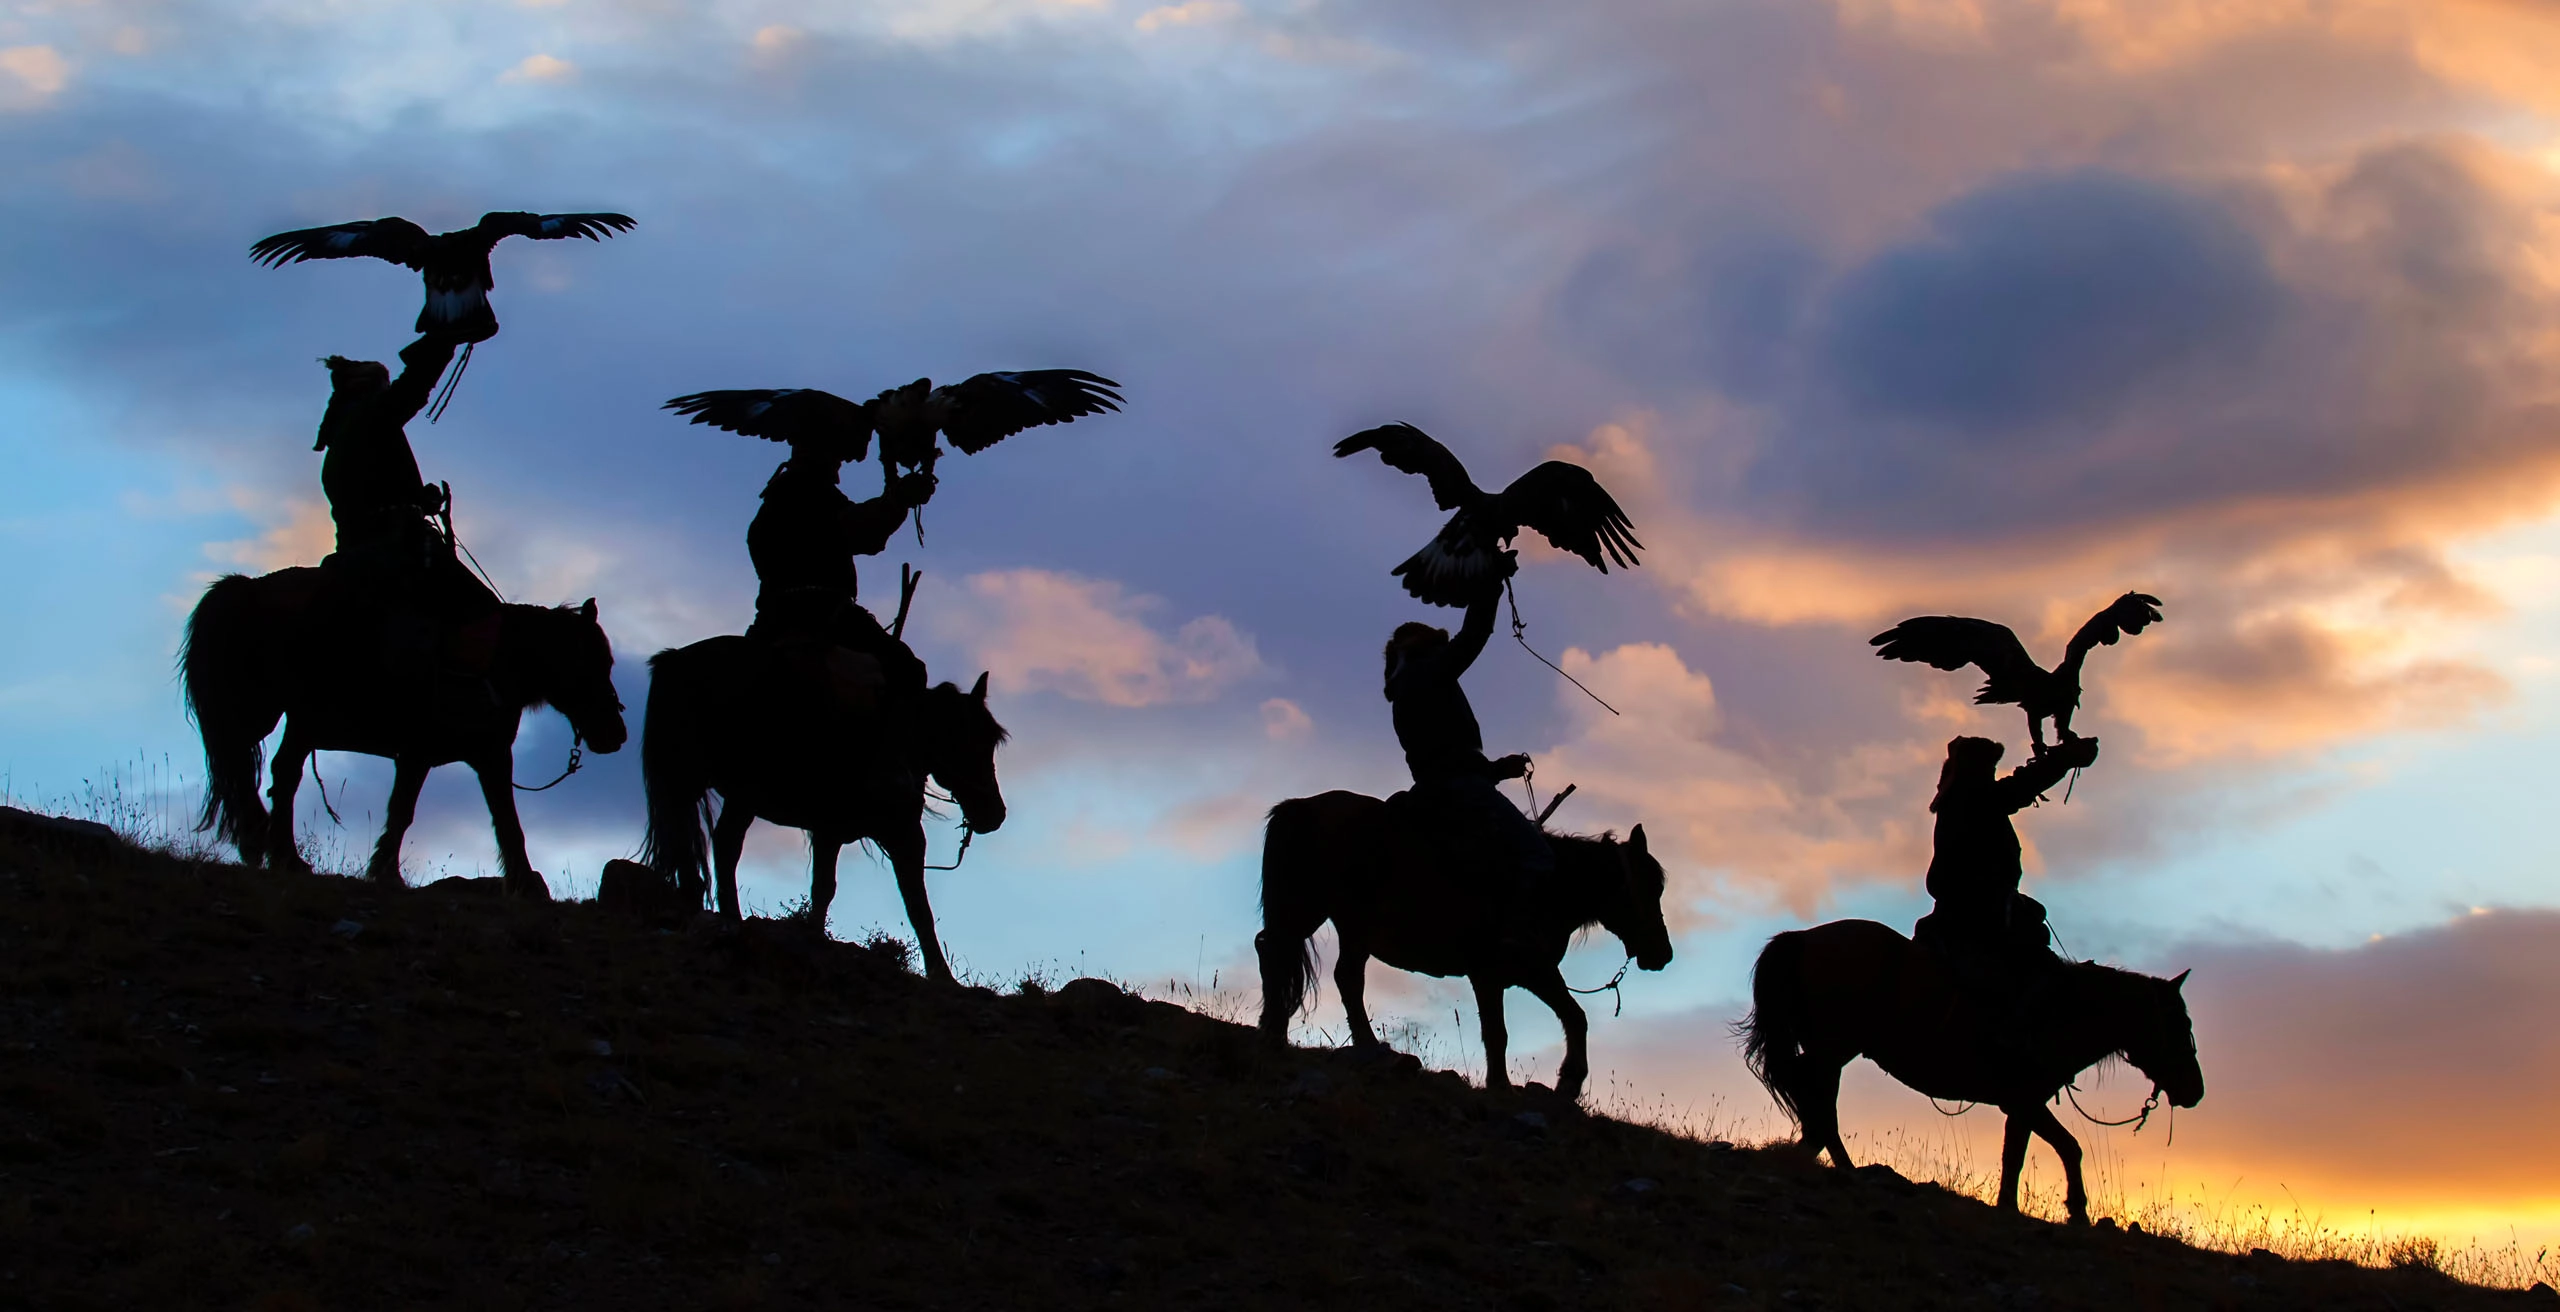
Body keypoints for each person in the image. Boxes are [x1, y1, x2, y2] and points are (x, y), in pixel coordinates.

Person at [1381, 556, 1551, 960]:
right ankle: (1516, 939)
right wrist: (1490, 583)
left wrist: (1494, 770)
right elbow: (1473, 635)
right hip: (1462, 790)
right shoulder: (1431, 672)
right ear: (1426, 648)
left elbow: (1443, 756)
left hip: (1433, 788)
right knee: (1538, 855)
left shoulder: (1406, 687)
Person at [311, 331, 500, 687]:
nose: (387, 391)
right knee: (481, 608)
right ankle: (457, 692)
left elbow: (369, 493)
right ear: (370, 389)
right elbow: (412, 388)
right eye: (384, 385)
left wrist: (418, 499)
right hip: (395, 546)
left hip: (358, 545)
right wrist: (446, 339)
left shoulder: (346, 438)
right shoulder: (370, 418)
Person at [1912, 734, 2100, 1051]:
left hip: (1973, 900)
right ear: (1976, 768)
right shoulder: (1974, 795)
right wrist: (2064, 758)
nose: (1993, 773)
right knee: (2040, 969)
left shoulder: (1961, 797)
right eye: (1989, 767)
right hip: (1980, 903)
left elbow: (2016, 788)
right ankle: (2012, 1037)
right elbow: (2020, 788)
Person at [742, 434, 937, 703]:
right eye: (836, 456)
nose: (840, 464)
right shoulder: (810, 493)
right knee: (906, 670)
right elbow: (865, 534)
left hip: (772, 617)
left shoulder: (774, 502)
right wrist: (899, 498)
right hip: (821, 614)